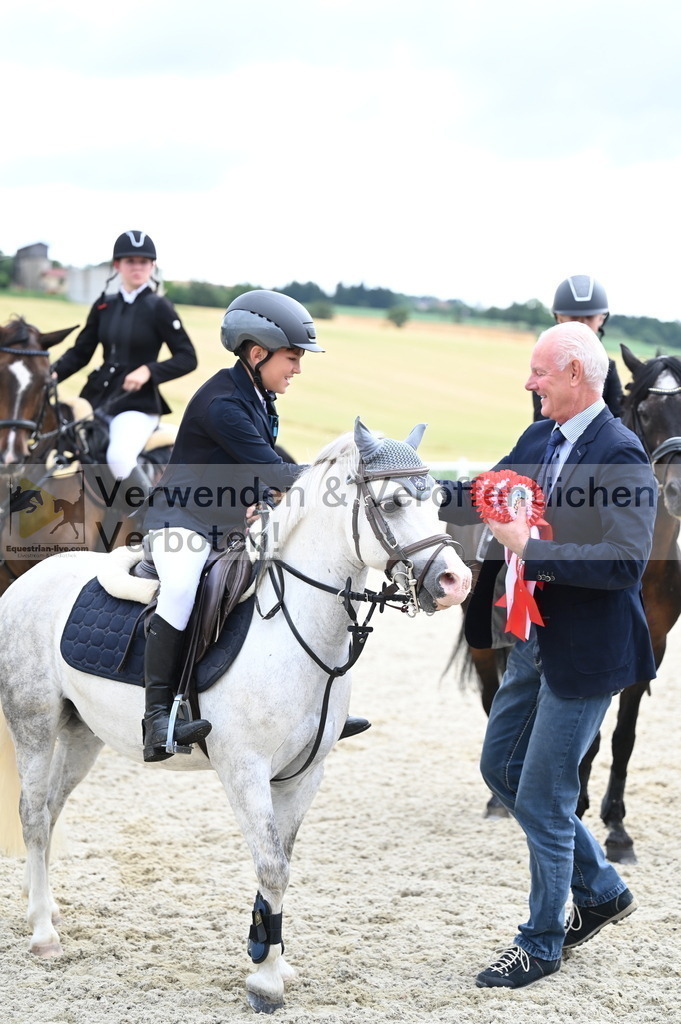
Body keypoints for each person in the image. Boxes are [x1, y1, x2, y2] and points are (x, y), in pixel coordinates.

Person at [438, 321, 656, 989]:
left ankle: (540, 943)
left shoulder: (621, 454)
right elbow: (486, 491)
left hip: (587, 655)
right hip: (531, 638)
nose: (528, 382)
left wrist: (531, 551)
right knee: (500, 768)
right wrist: (410, 487)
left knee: (543, 796)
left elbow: (624, 562)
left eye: (539, 372)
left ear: (574, 375)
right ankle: (601, 890)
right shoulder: (539, 437)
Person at [141, 289, 369, 763]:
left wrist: (258, 501)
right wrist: (340, 478)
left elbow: (252, 472)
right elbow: (274, 470)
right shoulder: (223, 404)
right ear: (259, 352)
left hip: (225, 522)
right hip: (180, 520)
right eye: (293, 357)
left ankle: (313, 707)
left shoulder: (258, 397)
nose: (298, 369)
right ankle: (158, 717)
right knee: (181, 589)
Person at [51, 230, 197, 489]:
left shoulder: (159, 307)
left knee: (118, 457)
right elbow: (81, 352)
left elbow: (188, 357)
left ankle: (148, 511)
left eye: (144, 262)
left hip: (137, 405)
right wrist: (51, 374)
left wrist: (148, 371)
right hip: (97, 398)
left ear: (152, 266)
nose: (137, 267)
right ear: (117, 265)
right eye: (131, 261)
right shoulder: (103, 306)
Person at [532, 274, 623, 420]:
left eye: (589, 318)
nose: (582, 325)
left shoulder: (609, 367)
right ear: (559, 318)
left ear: (601, 319)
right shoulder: (544, 366)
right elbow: (543, 420)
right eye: (574, 318)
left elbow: (618, 418)